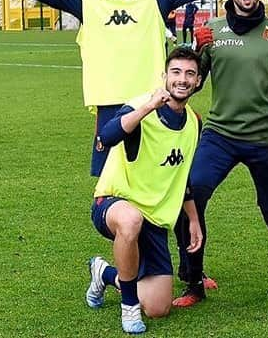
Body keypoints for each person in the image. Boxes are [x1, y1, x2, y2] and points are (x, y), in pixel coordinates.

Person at [0, 0, 268, 178]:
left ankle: (161, 252)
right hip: (110, 106)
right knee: (110, 182)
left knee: (157, 173)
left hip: (154, 103)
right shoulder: (86, 0)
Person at [172, 0, 268, 307]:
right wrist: (196, 47)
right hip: (220, 135)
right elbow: (190, 81)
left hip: (265, 138)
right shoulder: (213, 32)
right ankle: (193, 281)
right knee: (189, 199)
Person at [85, 47, 204, 334]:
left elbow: (182, 175)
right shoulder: (140, 106)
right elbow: (107, 136)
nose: (182, 79)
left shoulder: (194, 123)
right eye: (176, 72)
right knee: (130, 220)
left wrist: (193, 219)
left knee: (159, 307)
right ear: (165, 76)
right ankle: (128, 308)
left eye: (189, 74)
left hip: (154, 220)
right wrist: (149, 106)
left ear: (198, 81)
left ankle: (104, 273)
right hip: (114, 203)